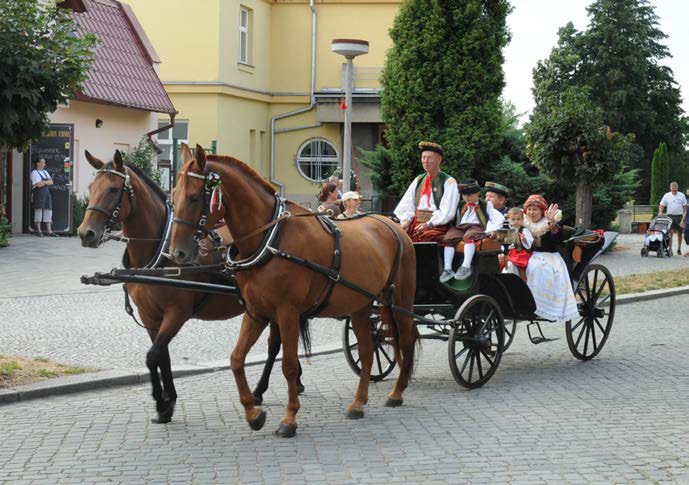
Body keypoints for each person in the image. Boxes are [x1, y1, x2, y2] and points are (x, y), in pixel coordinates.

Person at [523, 195, 578, 322]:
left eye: (535, 209)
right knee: (512, 265)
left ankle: (541, 306)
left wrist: (552, 223)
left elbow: (557, 239)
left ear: (542, 211)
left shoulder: (550, 222)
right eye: (529, 209)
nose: (531, 212)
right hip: (530, 255)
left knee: (537, 268)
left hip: (549, 256)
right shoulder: (525, 222)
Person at [394, 141, 459, 242]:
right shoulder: (418, 180)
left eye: (429, 158)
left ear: (439, 160)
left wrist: (429, 224)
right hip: (415, 224)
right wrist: (406, 222)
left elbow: (447, 212)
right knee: (395, 236)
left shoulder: (449, 182)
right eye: (423, 157)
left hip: (437, 226)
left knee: (425, 237)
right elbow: (407, 203)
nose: (425, 161)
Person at [440, 179, 504, 282]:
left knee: (469, 236)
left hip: (476, 226)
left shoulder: (485, 204)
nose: (466, 197)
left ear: (477, 193)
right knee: (449, 238)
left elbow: (498, 218)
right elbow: (455, 219)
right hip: (462, 227)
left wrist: (492, 230)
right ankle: (448, 269)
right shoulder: (461, 204)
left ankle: (466, 266)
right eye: (464, 195)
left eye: (469, 195)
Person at [503, 207, 533, 281]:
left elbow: (530, 242)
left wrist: (524, 239)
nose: (516, 221)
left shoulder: (524, 230)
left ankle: (523, 281)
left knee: (521, 263)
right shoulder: (507, 230)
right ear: (508, 220)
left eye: (518, 219)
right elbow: (503, 243)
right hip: (511, 252)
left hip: (521, 252)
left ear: (522, 220)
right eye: (513, 219)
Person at [30, 158, 57, 237]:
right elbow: (38, 185)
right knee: (38, 211)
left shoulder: (45, 172)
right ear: (38, 163)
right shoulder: (34, 172)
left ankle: (49, 231)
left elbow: (51, 182)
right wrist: (46, 182)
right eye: (43, 162)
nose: (44, 164)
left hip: (46, 194)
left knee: (48, 210)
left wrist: (43, 182)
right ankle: (38, 230)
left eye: (44, 163)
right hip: (38, 194)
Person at [658, 181, 686, 255]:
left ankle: (679, 249)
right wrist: (660, 212)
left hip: (679, 216)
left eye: (675, 189)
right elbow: (661, 205)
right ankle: (670, 249)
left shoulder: (681, 195)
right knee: (670, 233)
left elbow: (685, 206)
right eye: (673, 190)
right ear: (670, 188)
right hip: (670, 216)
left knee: (679, 233)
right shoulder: (667, 195)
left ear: (677, 188)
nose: (674, 191)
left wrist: (684, 215)